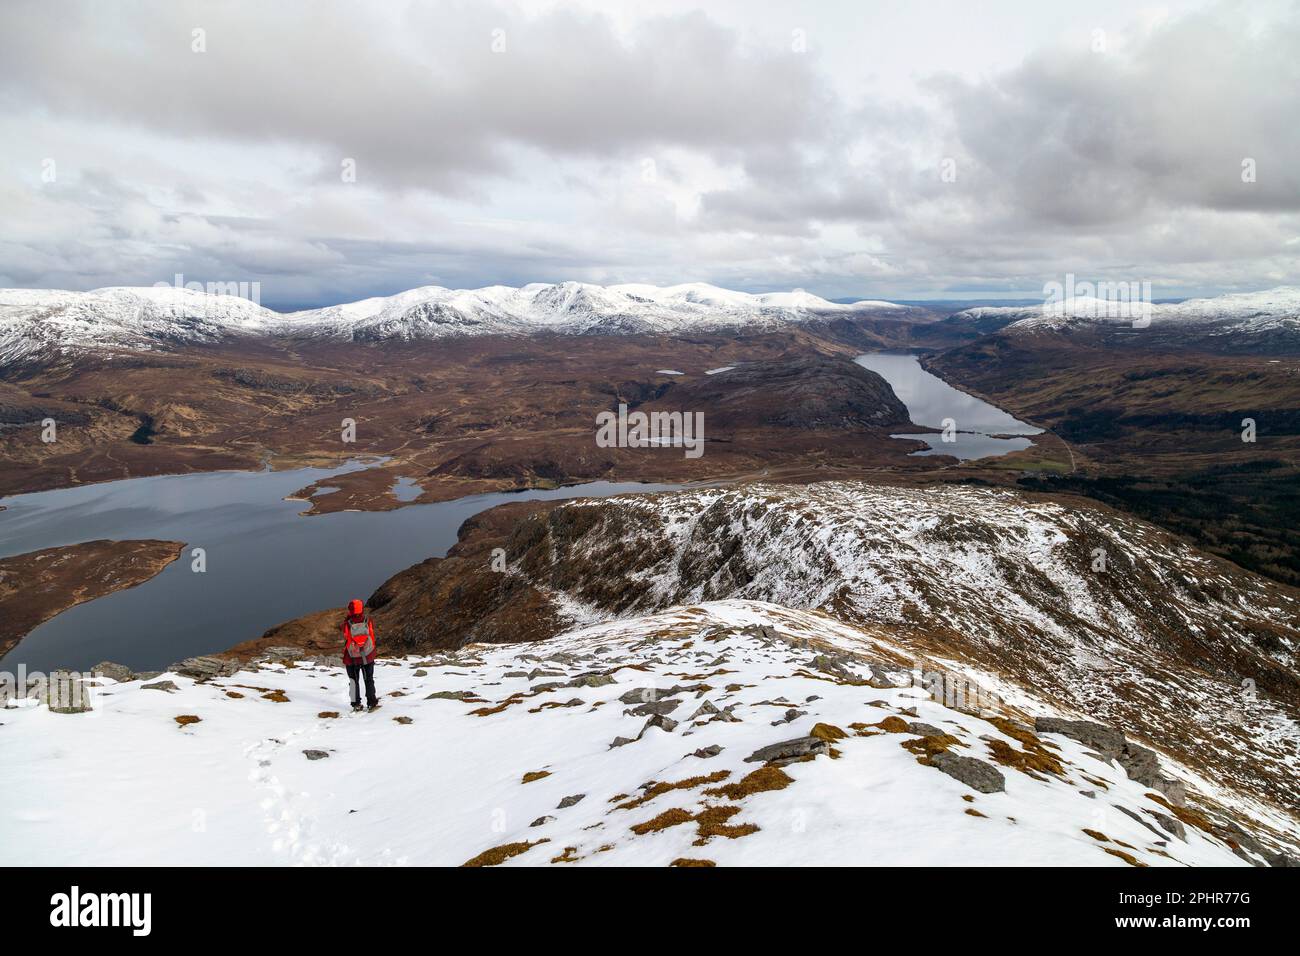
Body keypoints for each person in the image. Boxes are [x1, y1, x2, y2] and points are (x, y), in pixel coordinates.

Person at [341, 599, 378, 712]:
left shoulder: (347, 624)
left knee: (353, 680)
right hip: (367, 655)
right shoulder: (368, 620)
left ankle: (355, 703)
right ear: (361, 608)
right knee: (369, 679)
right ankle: (372, 702)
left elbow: (346, 636)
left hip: (351, 657)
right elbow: (371, 635)